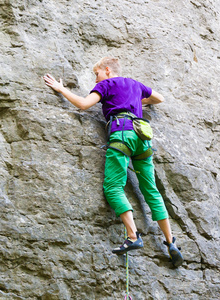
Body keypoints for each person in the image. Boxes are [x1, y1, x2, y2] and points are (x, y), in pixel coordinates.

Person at [43, 57, 184, 267]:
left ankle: (133, 236)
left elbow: (83, 104)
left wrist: (61, 89)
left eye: (96, 73)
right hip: (143, 138)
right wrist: (136, 101)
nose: (96, 78)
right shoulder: (135, 85)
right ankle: (171, 243)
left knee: (113, 187)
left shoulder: (105, 84)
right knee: (151, 191)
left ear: (107, 70)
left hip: (123, 135)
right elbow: (159, 98)